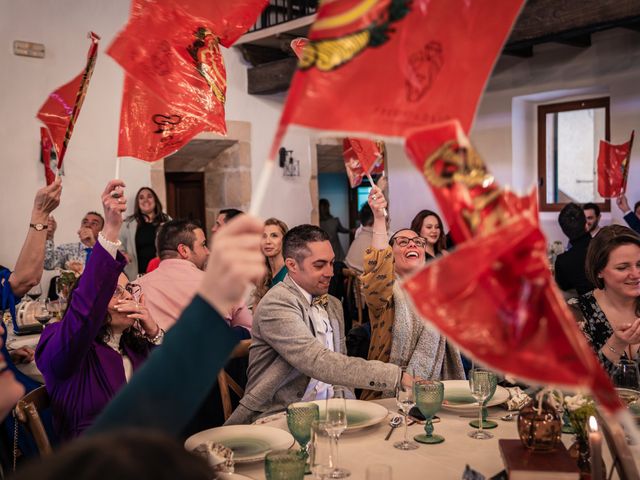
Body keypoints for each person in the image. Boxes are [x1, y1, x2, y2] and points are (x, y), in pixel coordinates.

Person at [225, 224, 410, 425]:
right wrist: (396, 376)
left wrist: (351, 411)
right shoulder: (276, 304)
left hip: (331, 413)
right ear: (292, 265)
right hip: (280, 416)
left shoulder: (332, 304)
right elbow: (318, 361)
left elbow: (340, 367)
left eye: (331, 263)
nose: (330, 272)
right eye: (319, 265)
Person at [36, 180, 164, 441]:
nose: (128, 297)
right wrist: (112, 228)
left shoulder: (132, 347)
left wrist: (153, 333)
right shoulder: (64, 345)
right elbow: (84, 313)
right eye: (116, 291)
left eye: (128, 291)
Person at [361, 186, 464, 399]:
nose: (413, 245)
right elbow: (377, 266)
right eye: (403, 242)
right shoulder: (386, 292)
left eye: (418, 242)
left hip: (436, 384)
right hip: (389, 392)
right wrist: (379, 217)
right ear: (391, 253)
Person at [136, 219, 251, 336]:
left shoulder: (137, 287)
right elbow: (249, 329)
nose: (208, 252)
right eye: (203, 245)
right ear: (184, 250)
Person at [569, 225, 640, 376]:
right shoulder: (577, 312)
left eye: (639, 264)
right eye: (623, 268)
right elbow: (579, 384)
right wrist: (616, 344)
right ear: (599, 271)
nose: (636, 274)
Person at [120, 187, 170, 279]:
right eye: (141, 197)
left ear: (155, 200)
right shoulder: (128, 224)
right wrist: (123, 253)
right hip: (136, 275)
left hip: (161, 273)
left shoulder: (167, 221)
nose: (146, 200)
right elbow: (118, 243)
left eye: (149, 196)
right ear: (137, 203)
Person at [554, 203, 594, 296]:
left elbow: (564, 287)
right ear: (586, 225)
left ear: (564, 231)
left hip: (586, 307)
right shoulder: (604, 246)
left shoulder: (562, 261)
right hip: (615, 303)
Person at [253, 218, 289, 307]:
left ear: (284, 240)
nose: (267, 241)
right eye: (264, 236)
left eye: (274, 236)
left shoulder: (290, 273)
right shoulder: (262, 273)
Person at [345, 203, 374, 274]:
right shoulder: (372, 244)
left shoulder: (360, 237)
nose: (388, 223)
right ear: (373, 221)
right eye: (385, 219)